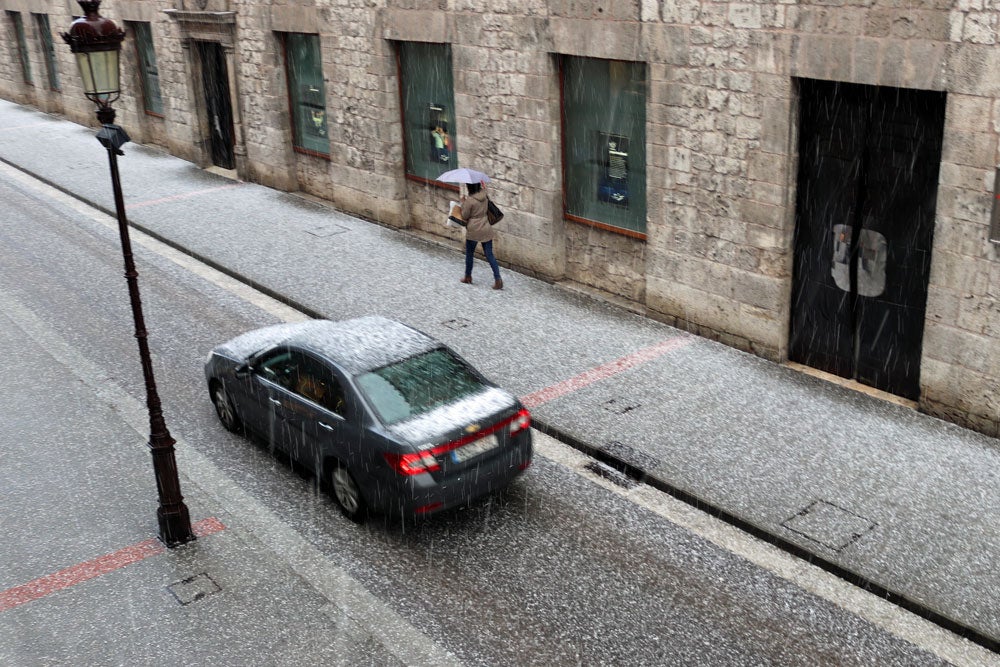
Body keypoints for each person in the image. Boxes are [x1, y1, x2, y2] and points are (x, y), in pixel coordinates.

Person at [459, 181, 503, 290]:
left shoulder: (470, 201)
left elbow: (465, 215)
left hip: (474, 230)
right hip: (486, 228)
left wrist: (463, 203)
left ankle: (468, 277)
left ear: (469, 187)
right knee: (489, 255)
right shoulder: (484, 195)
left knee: (469, 253)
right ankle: (498, 279)